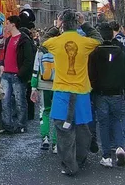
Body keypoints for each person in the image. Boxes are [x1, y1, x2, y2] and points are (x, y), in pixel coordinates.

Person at [41, 10, 102, 176]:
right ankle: (80, 159)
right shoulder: (84, 42)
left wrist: (56, 27)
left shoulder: (55, 42)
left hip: (62, 92)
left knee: (63, 131)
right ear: (76, 23)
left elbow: (42, 41)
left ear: (62, 23)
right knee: (82, 130)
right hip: (81, 92)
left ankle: (69, 164)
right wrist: (85, 23)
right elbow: (99, 39)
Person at [88, 22, 125, 167]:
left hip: (101, 93)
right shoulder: (121, 52)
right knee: (118, 120)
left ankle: (106, 156)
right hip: (117, 92)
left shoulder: (95, 53)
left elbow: (91, 74)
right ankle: (120, 147)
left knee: (103, 123)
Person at [0, 15, 35, 134]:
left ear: (13, 24)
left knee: (20, 101)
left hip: (16, 75)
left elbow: (28, 59)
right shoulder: (9, 39)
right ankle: (7, 124)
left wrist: (20, 74)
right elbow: (5, 55)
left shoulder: (23, 39)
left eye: (8, 23)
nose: (6, 25)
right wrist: (2, 64)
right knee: (5, 101)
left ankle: (21, 124)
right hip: (6, 74)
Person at [31, 26, 59, 153]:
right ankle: (56, 143)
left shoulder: (41, 50)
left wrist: (33, 86)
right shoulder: (60, 48)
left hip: (43, 85)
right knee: (58, 114)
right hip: (58, 85)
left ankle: (45, 137)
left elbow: (36, 69)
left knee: (44, 112)